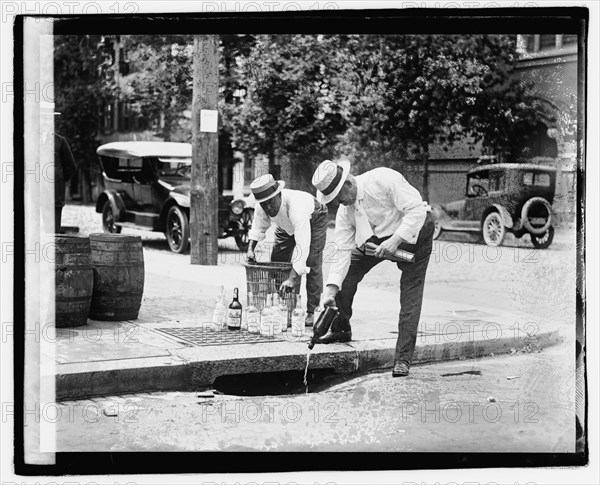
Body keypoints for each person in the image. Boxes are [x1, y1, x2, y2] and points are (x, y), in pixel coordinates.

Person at [312, 159, 434, 377]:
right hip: (377, 240)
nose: (340, 203)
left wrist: (396, 240)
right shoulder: (345, 210)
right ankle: (341, 329)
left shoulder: (382, 179)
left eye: (339, 197)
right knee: (347, 275)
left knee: (410, 296)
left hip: (415, 233)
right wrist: (330, 290)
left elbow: (416, 211)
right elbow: (341, 251)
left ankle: (403, 359)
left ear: (348, 183)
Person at [246, 174, 329, 326]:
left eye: (271, 202)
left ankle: (312, 311)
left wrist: (292, 278)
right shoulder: (262, 206)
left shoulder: (296, 206)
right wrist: (250, 249)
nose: (268, 208)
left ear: (279, 195)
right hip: (285, 225)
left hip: (314, 217)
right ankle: (283, 304)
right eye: (264, 205)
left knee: (312, 262)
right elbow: (258, 227)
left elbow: (302, 244)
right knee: (277, 261)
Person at [40, 103, 77, 233]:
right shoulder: (29, 140)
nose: (45, 122)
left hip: (54, 191)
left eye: (48, 119)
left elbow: (71, 166)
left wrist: (59, 177)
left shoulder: (60, 141)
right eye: (42, 118)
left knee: (52, 230)